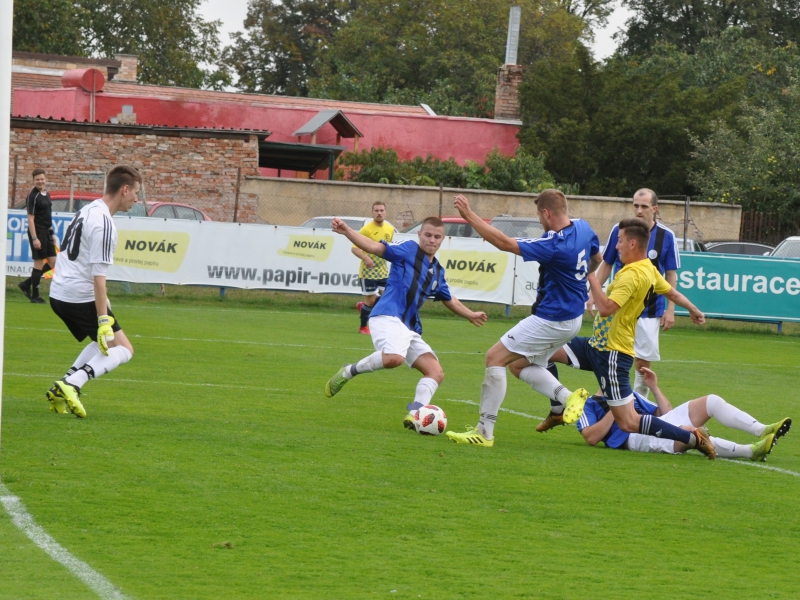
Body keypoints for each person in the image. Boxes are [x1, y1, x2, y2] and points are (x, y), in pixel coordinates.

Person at [548, 217, 718, 459]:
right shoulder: (648, 268)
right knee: (539, 350)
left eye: (619, 241)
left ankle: (691, 437)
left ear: (633, 243)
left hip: (612, 353)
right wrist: (693, 309)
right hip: (596, 345)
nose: (616, 246)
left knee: (628, 421)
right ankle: (558, 406)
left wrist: (591, 277)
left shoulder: (634, 275)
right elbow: (672, 293)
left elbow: (606, 309)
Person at [445, 191, 601, 448]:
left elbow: (504, 243)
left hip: (551, 319)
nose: (539, 220)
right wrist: (581, 277)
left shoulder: (554, 245)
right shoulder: (583, 227)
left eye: (539, 215)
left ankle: (484, 432)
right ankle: (567, 397)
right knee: (518, 366)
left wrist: (470, 216)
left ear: (546, 213)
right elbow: (596, 259)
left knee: (494, 358)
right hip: (573, 319)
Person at [324, 216, 487, 428]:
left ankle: (415, 413)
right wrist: (347, 231)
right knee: (394, 359)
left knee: (435, 372)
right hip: (386, 315)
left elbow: (449, 299)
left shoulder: (437, 271)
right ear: (419, 235)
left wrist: (470, 314)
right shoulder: (408, 249)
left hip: (407, 327)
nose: (432, 240)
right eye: (428, 235)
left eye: (437, 237)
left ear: (443, 239)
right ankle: (348, 371)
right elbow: (374, 247)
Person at [45, 165, 140, 418]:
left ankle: (62, 387)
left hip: (60, 292)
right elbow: (99, 279)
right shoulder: (105, 224)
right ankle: (72, 383)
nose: (136, 199)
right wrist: (103, 319)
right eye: (136, 192)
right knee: (124, 349)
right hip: (78, 296)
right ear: (125, 189)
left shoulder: (88, 210)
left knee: (103, 344)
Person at [576, 367, 791, 461]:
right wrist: (618, 408)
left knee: (712, 401)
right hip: (633, 438)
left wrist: (654, 388)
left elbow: (666, 413)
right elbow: (591, 437)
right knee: (690, 433)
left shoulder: (630, 394)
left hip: (655, 423)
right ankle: (750, 452)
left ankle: (762, 429)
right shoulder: (589, 404)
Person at [592, 189, 679, 398]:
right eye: (636, 206)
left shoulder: (666, 236)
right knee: (609, 355)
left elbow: (670, 274)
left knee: (642, 364)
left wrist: (670, 310)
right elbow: (607, 264)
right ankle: (606, 401)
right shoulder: (619, 229)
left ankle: (638, 405)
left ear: (654, 209)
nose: (639, 210)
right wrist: (591, 295)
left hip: (650, 309)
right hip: (618, 307)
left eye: (644, 206)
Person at [352, 202, 395, 334]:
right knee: (370, 301)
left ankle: (364, 306)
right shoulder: (366, 230)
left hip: (383, 270)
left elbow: (388, 249)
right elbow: (354, 248)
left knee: (388, 298)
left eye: (381, 210)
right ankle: (363, 327)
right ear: (372, 212)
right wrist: (366, 258)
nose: (379, 213)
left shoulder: (390, 229)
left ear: (386, 212)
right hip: (368, 272)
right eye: (376, 210)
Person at [18, 169, 59, 304]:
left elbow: (47, 216)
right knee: (39, 262)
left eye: (42, 179)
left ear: (45, 179)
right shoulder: (32, 196)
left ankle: (26, 284)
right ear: (33, 180)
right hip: (37, 231)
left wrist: (51, 233)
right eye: (37, 179)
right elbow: (30, 218)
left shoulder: (46, 194)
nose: (40, 181)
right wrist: (35, 238)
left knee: (53, 262)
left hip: (46, 232)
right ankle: (35, 296)